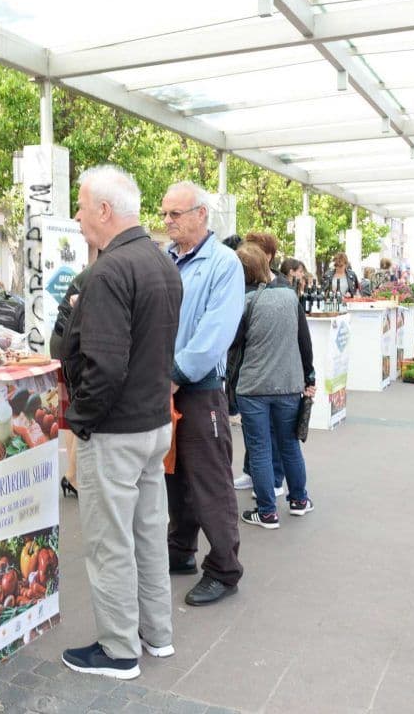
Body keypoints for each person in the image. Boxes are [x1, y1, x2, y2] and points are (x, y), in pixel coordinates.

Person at [60, 165, 182, 679]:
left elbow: (105, 365)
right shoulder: (161, 261)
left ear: (104, 211)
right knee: (149, 533)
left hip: (116, 428)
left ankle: (118, 650)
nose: (78, 216)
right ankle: (157, 634)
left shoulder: (110, 271)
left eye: (83, 206)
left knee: (111, 543)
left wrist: (79, 418)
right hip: (153, 424)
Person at [163, 181, 245, 607]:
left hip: (199, 388)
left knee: (209, 479)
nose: (167, 223)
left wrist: (176, 375)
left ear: (201, 215)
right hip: (165, 386)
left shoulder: (223, 263)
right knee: (173, 476)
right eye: (164, 215)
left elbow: (216, 333)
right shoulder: (165, 260)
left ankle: (225, 569)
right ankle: (180, 553)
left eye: (175, 214)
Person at [233, 244, 315, 529]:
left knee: (259, 449)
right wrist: (309, 377)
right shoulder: (290, 296)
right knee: (290, 445)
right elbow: (304, 340)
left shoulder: (243, 301)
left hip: (253, 386)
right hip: (289, 384)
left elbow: (233, 345)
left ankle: (267, 511)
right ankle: (299, 500)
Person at [49, 246, 99, 499]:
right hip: (70, 346)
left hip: (64, 343)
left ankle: (73, 474)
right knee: (76, 411)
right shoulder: (98, 274)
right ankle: (75, 476)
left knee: (70, 413)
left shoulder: (94, 272)